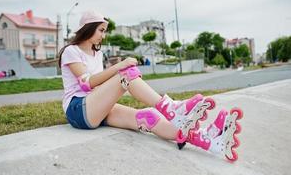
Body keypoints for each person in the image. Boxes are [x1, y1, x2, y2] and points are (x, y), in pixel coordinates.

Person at [58, 10, 243, 162]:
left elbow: (100, 84)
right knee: (126, 74)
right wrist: (119, 67)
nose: (103, 35)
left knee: (149, 117)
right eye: (101, 30)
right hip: (78, 109)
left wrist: (114, 83)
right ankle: (172, 109)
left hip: (97, 108)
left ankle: (209, 140)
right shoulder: (70, 51)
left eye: (105, 31)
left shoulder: (96, 53)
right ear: (87, 28)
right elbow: (86, 83)